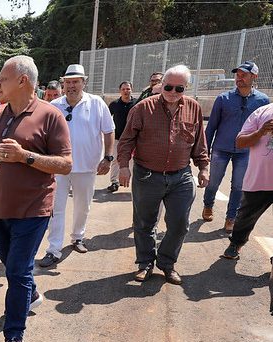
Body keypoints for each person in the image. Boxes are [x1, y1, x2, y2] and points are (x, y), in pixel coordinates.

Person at [0, 55, 72, 342]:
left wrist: (25, 156)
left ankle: (14, 335)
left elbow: (66, 164)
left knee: (16, 270)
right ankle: (31, 293)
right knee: (15, 265)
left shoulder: (50, 116)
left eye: (3, 78)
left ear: (23, 81)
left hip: (33, 209)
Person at [117, 65, 210, 285]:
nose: (173, 92)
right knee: (144, 223)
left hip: (181, 177)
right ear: (161, 84)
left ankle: (167, 263)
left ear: (185, 88)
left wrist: (204, 167)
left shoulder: (193, 108)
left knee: (179, 224)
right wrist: (123, 166)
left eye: (179, 88)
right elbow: (127, 139)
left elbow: (199, 142)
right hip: (147, 175)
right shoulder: (142, 108)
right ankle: (146, 263)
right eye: (168, 87)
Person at [39, 64, 115, 267]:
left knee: (83, 206)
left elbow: (109, 131)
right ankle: (53, 249)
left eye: (75, 81)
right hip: (59, 167)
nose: (71, 86)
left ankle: (77, 237)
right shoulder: (54, 105)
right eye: (68, 82)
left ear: (84, 82)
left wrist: (108, 157)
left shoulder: (97, 103)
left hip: (88, 166)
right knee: (56, 209)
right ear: (63, 84)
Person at [202, 61, 270, 233]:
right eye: (237, 74)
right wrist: (205, 151)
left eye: (244, 74)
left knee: (238, 186)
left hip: (246, 151)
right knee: (214, 182)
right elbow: (211, 127)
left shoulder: (263, 100)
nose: (239, 78)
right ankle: (208, 205)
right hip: (221, 148)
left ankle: (231, 217)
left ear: (254, 76)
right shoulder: (223, 98)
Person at [220, 101, 273, 260]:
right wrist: (261, 132)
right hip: (260, 179)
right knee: (246, 216)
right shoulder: (262, 113)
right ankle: (236, 243)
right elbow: (240, 142)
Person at [107, 81, 137, 192]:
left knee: (132, 161)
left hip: (133, 139)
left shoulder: (137, 104)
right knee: (115, 160)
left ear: (131, 90)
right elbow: (106, 119)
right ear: (120, 91)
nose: (126, 91)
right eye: (123, 89)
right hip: (117, 138)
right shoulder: (114, 104)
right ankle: (114, 182)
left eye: (128, 89)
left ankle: (134, 184)